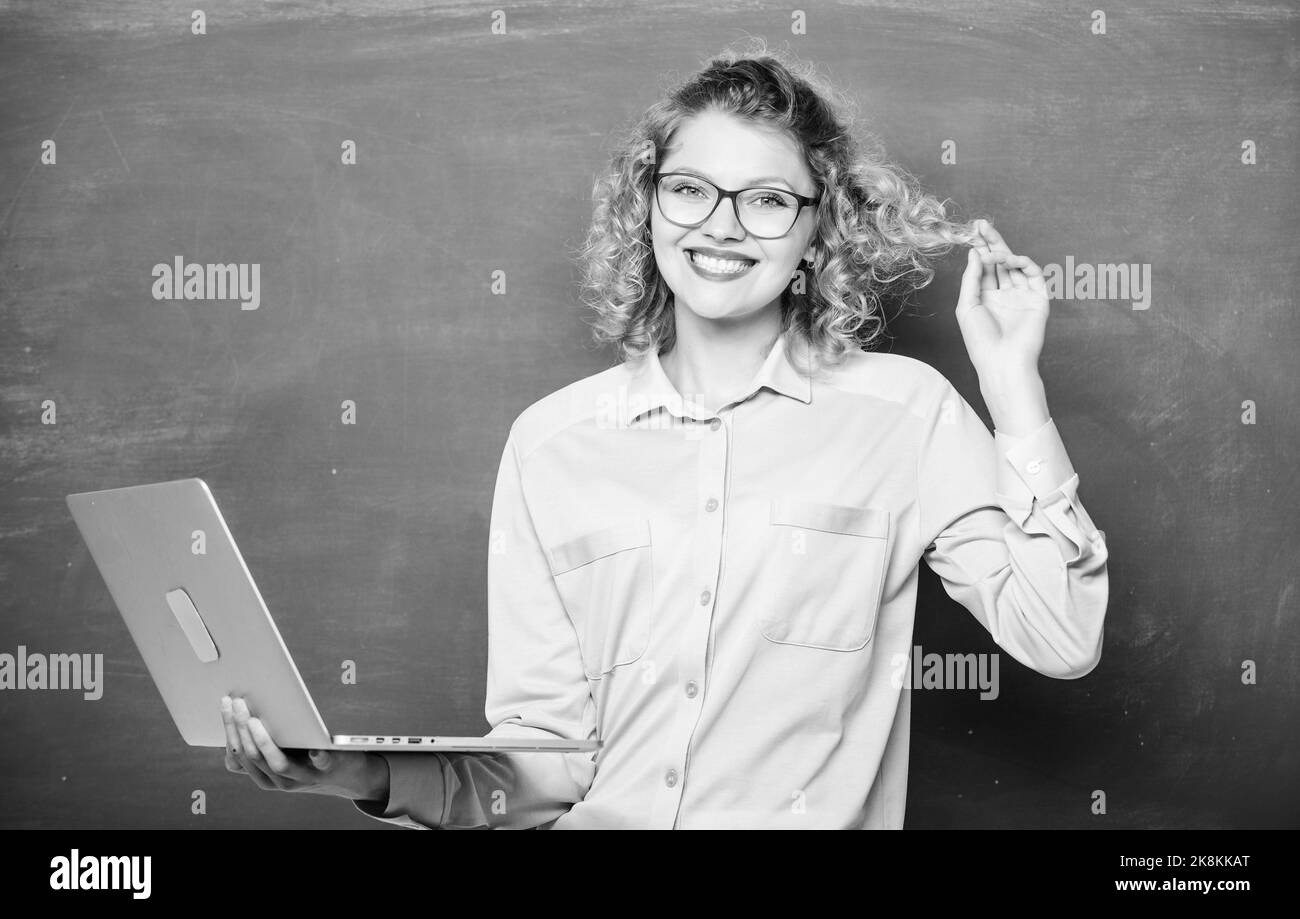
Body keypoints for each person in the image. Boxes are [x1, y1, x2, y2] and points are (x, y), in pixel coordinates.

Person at [221, 40, 1109, 829]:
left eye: (766, 200)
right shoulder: (550, 443)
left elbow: (1061, 637)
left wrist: (1011, 385)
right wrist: (358, 772)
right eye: (689, 189)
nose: (720, 226)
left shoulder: (905, 415)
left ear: (816, 231)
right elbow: (542, 766)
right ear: (648, 208)